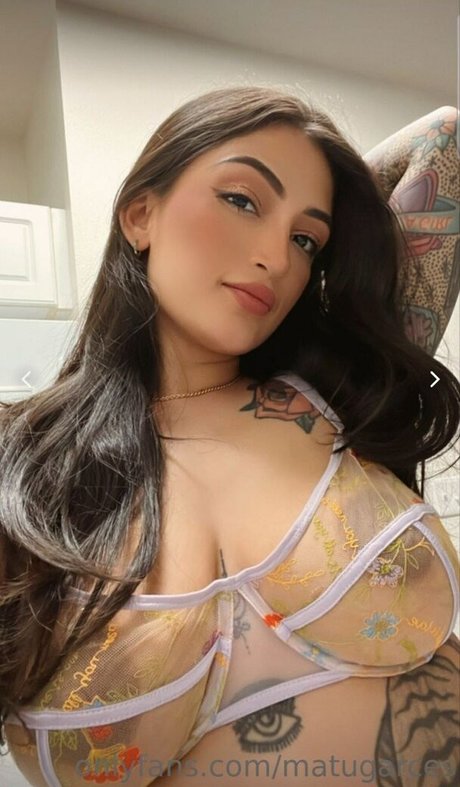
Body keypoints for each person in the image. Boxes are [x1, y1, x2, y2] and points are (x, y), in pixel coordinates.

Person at [0, 86, 458, 787]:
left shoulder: (339, 392)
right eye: (242, 200)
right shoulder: (24, 461)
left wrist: (318, 174)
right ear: (140, 213)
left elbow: (443, 142)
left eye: (306, 239)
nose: (277, 257)